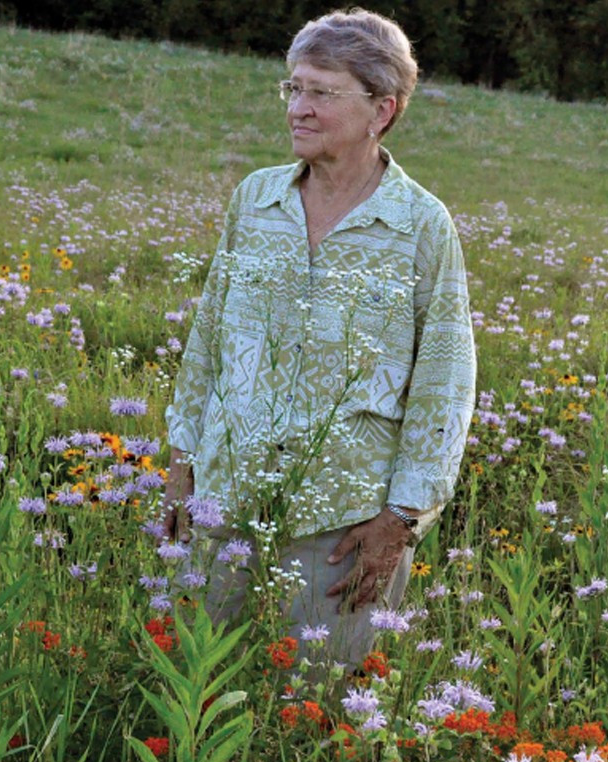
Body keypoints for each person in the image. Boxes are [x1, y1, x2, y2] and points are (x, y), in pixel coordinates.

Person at [163, 8, 476, 669]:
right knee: (199, 687)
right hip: (225, 504)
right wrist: (181, 458)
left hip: (342, 529)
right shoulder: (256, 200)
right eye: (293, 88)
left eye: (321, 93)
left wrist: (402, 519)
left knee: (314, 720)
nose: (297, 109)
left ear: (381, 110)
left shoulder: (420, 226)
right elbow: (208, 337)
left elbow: (445, 380)